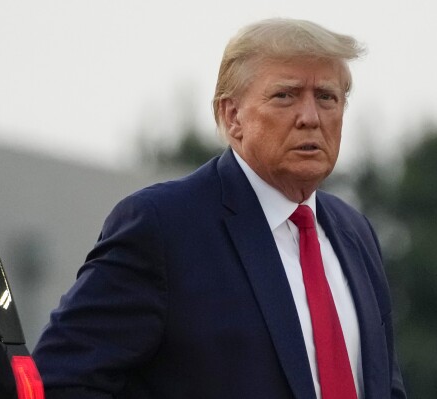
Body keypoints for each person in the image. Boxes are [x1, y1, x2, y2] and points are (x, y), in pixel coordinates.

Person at [33, 18, 407, 398]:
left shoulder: (355, 232)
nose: (310, 117)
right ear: (232, 116)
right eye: (286, 95)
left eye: (326, 97)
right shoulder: (163, 226)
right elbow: (61, 380)